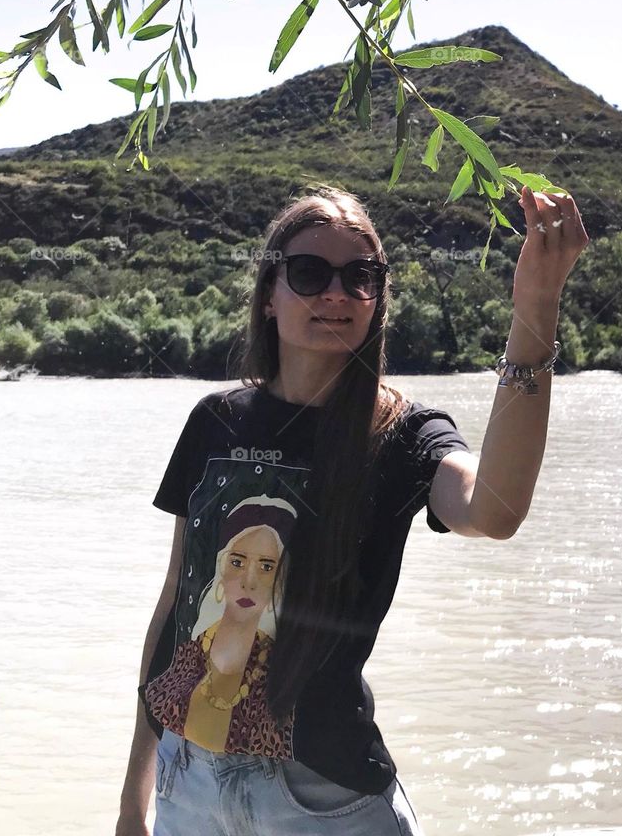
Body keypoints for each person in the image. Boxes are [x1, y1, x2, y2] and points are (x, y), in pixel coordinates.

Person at [115, 181, 589, 835]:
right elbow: (175, 605)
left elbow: (496, 510)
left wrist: (536, 307)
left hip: (322, 802)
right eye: (309, 273)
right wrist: (134, 792)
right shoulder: (214, 422)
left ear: (377, 299)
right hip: (187, 780)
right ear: (269, 294)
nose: (335, 294)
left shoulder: (403, 435)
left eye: (359, 277)